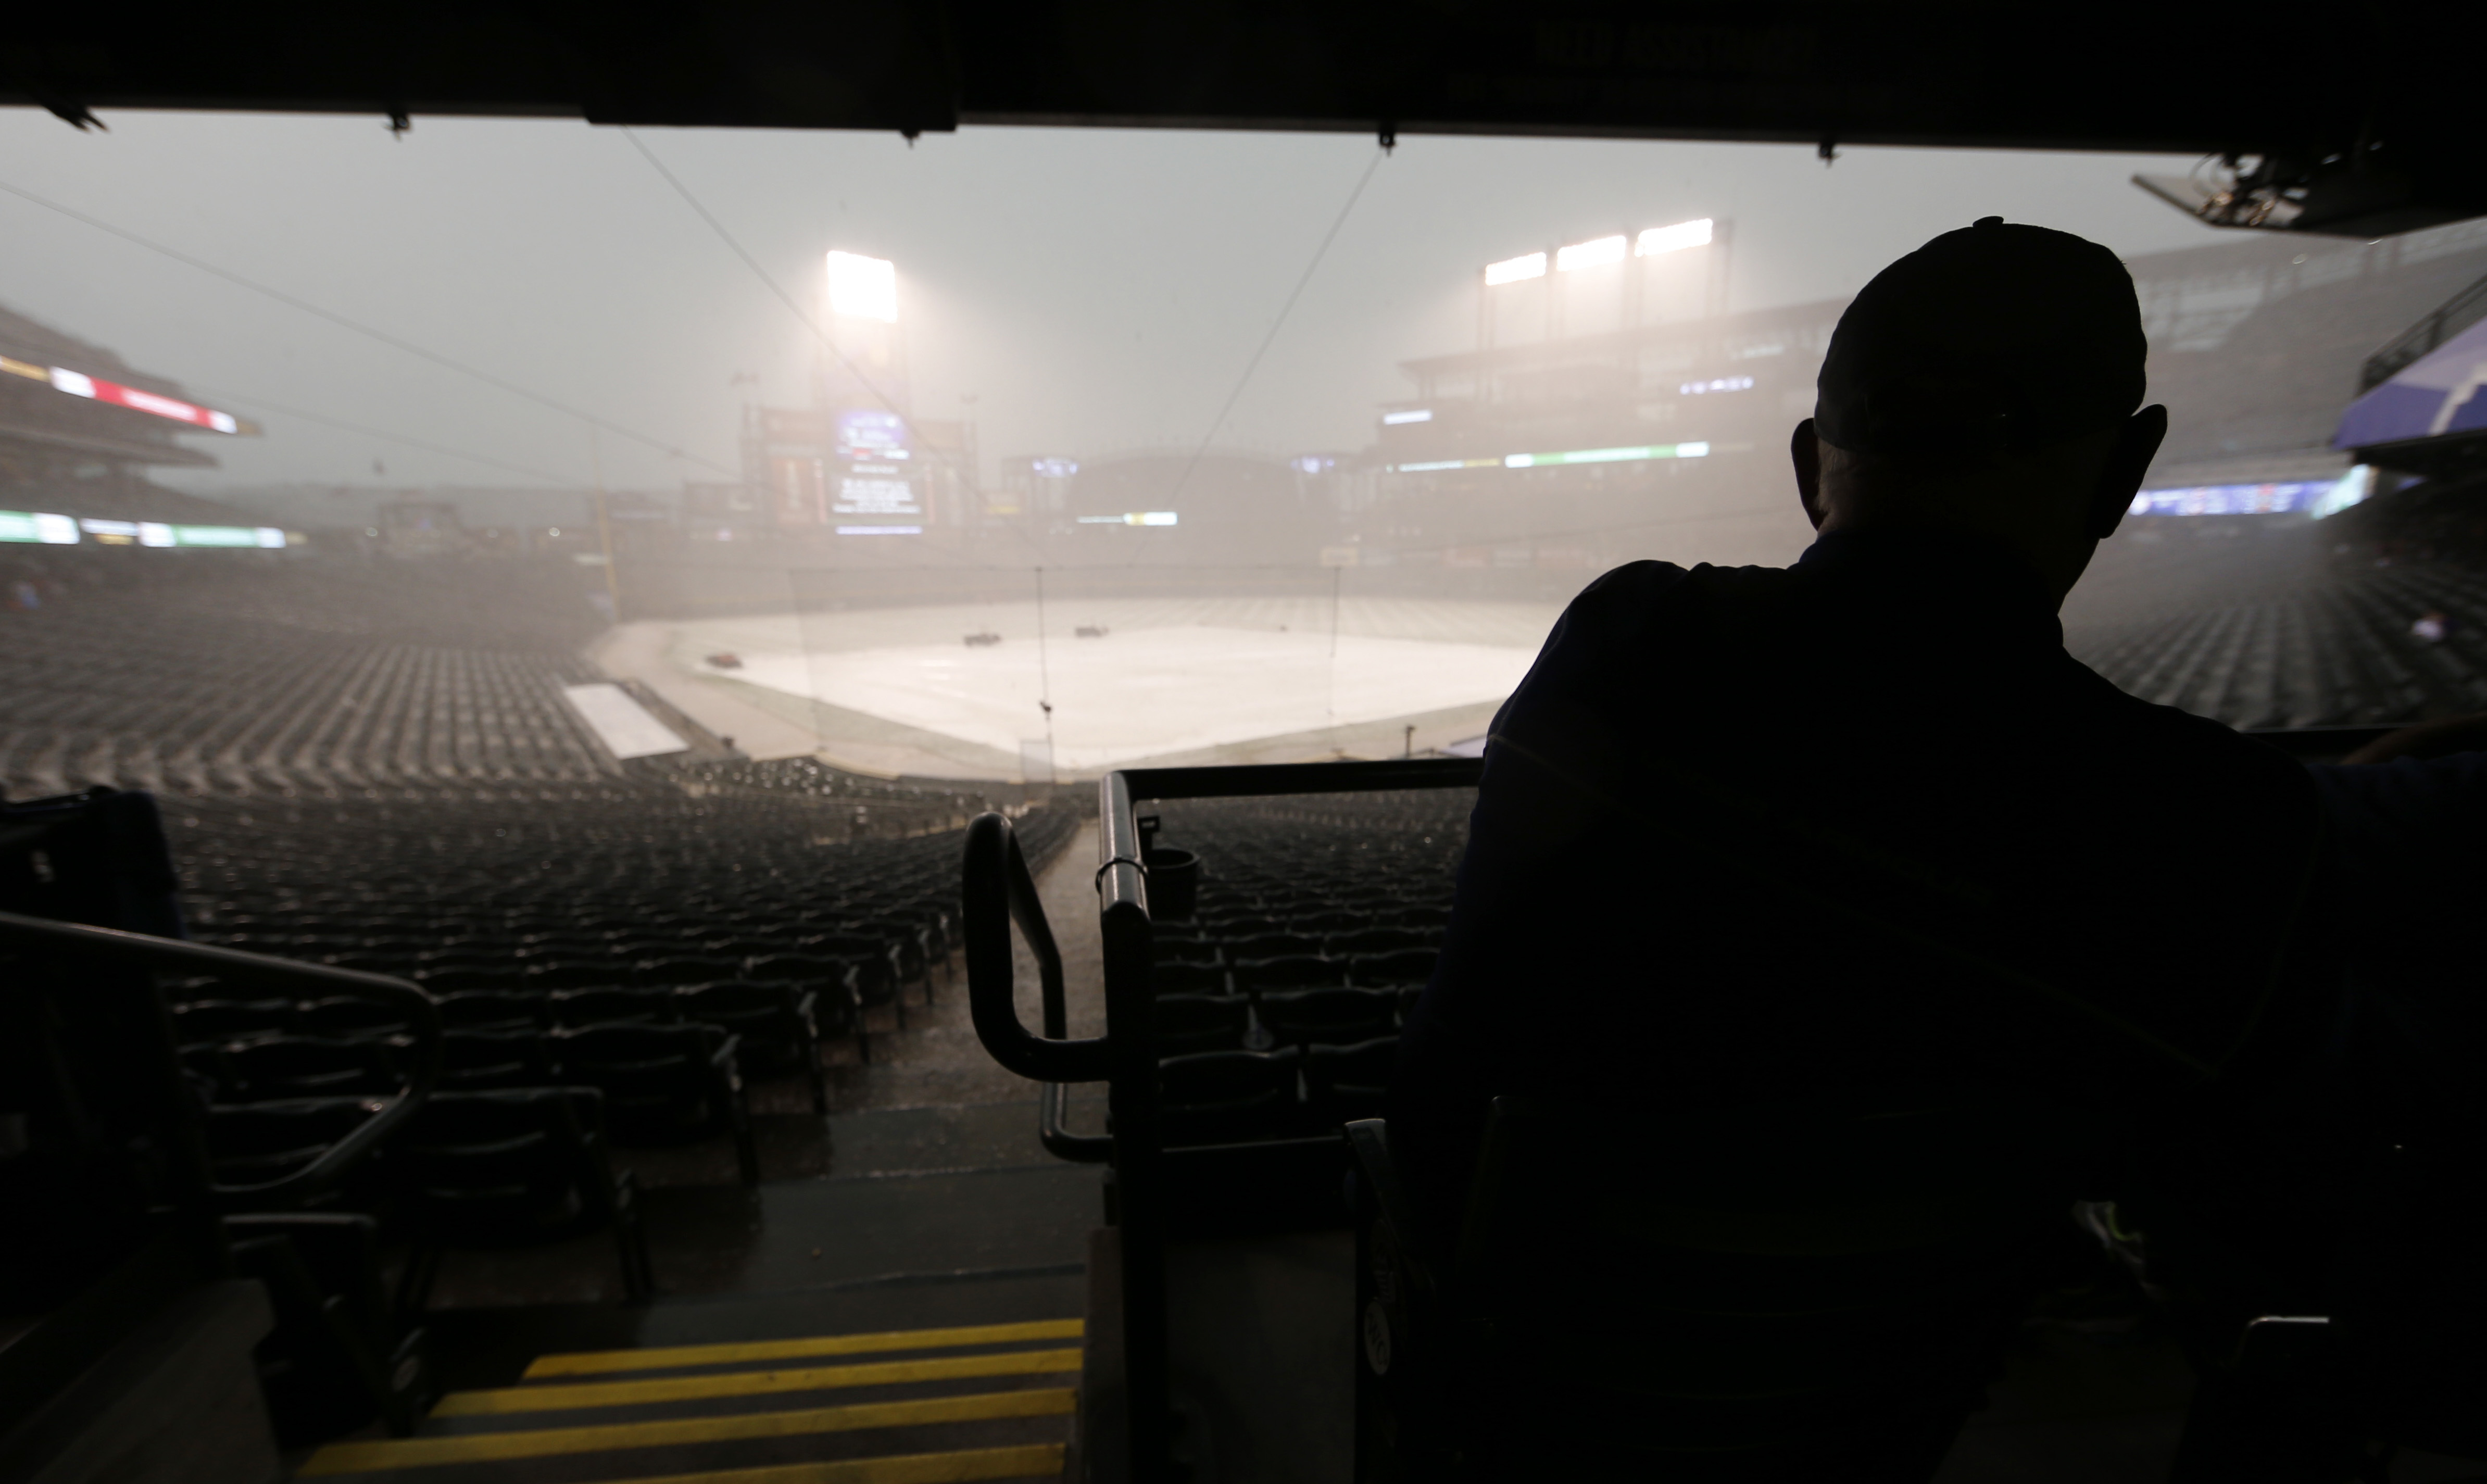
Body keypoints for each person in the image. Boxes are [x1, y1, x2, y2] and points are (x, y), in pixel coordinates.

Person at [1391, 217, 2485, 1457]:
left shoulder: (1626, 645)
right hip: (1876, 1432)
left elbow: (1445, 1080)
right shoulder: (2205, 824)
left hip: (1513, 1416)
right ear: (2128, 472)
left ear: (1813, 464)